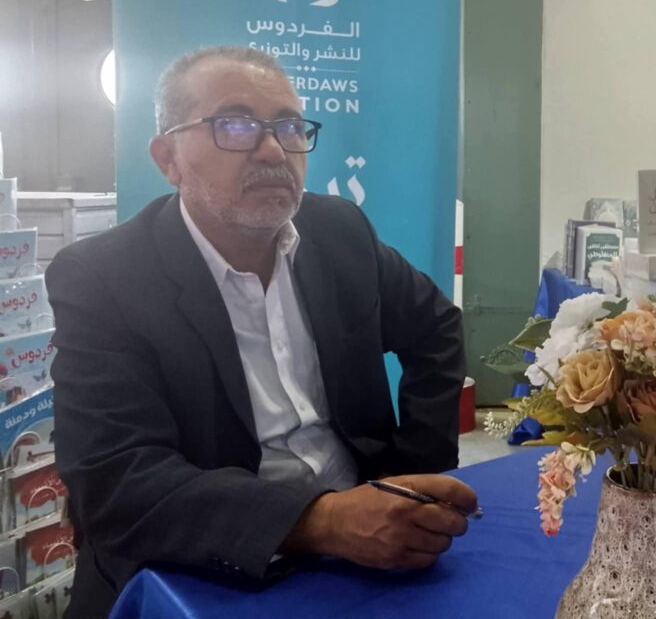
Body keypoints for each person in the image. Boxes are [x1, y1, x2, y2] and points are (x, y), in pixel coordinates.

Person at [47, 46, 476, 618]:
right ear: (168, 158)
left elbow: (436, 329)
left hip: (372, 552)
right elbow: (116, 478)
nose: (274, 149)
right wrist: (322, 521)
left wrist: (410, 477)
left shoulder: (339, 231)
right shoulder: (105, 277)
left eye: (290, 127)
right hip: (202, 570)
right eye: (235, 125)